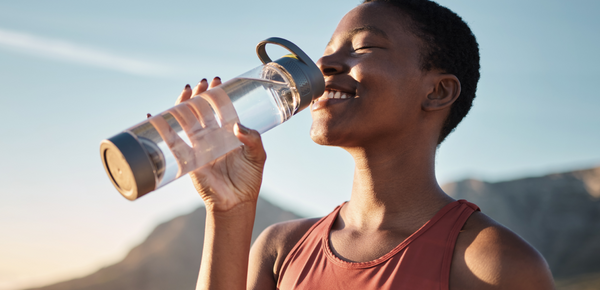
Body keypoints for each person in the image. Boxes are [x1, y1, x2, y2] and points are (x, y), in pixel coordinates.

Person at [175, 0, 556, 289]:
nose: (323, 63)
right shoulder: (281, 248)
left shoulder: (494, 263)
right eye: (329, 49)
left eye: (363, 47)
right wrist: (227, 210)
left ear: (438, 91)